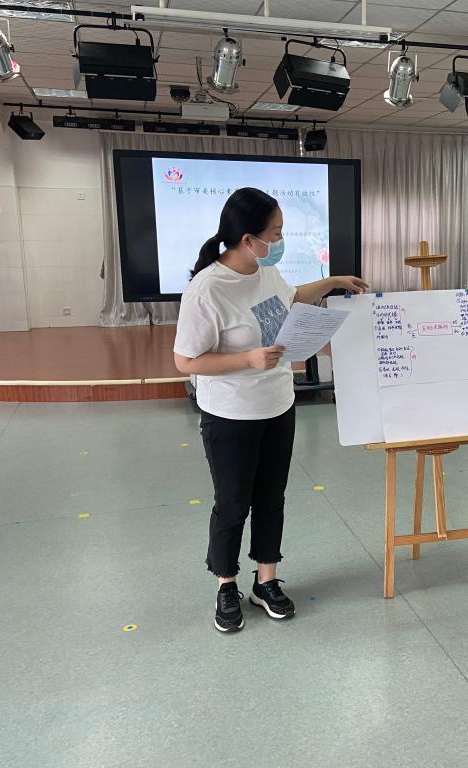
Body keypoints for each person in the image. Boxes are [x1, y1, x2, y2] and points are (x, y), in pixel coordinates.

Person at [173, 187, 368, 634]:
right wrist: (248, 359)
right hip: (230, 415)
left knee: (270, 499)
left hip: (278, 406)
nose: (280, 241)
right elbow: (185, 361)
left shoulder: (265, 271)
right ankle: (226, 585)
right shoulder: (206, 290)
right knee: (232, 504)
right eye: (275, 233)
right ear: (248, 239)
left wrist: (334, 281)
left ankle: (266, 580)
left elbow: (291, 297)